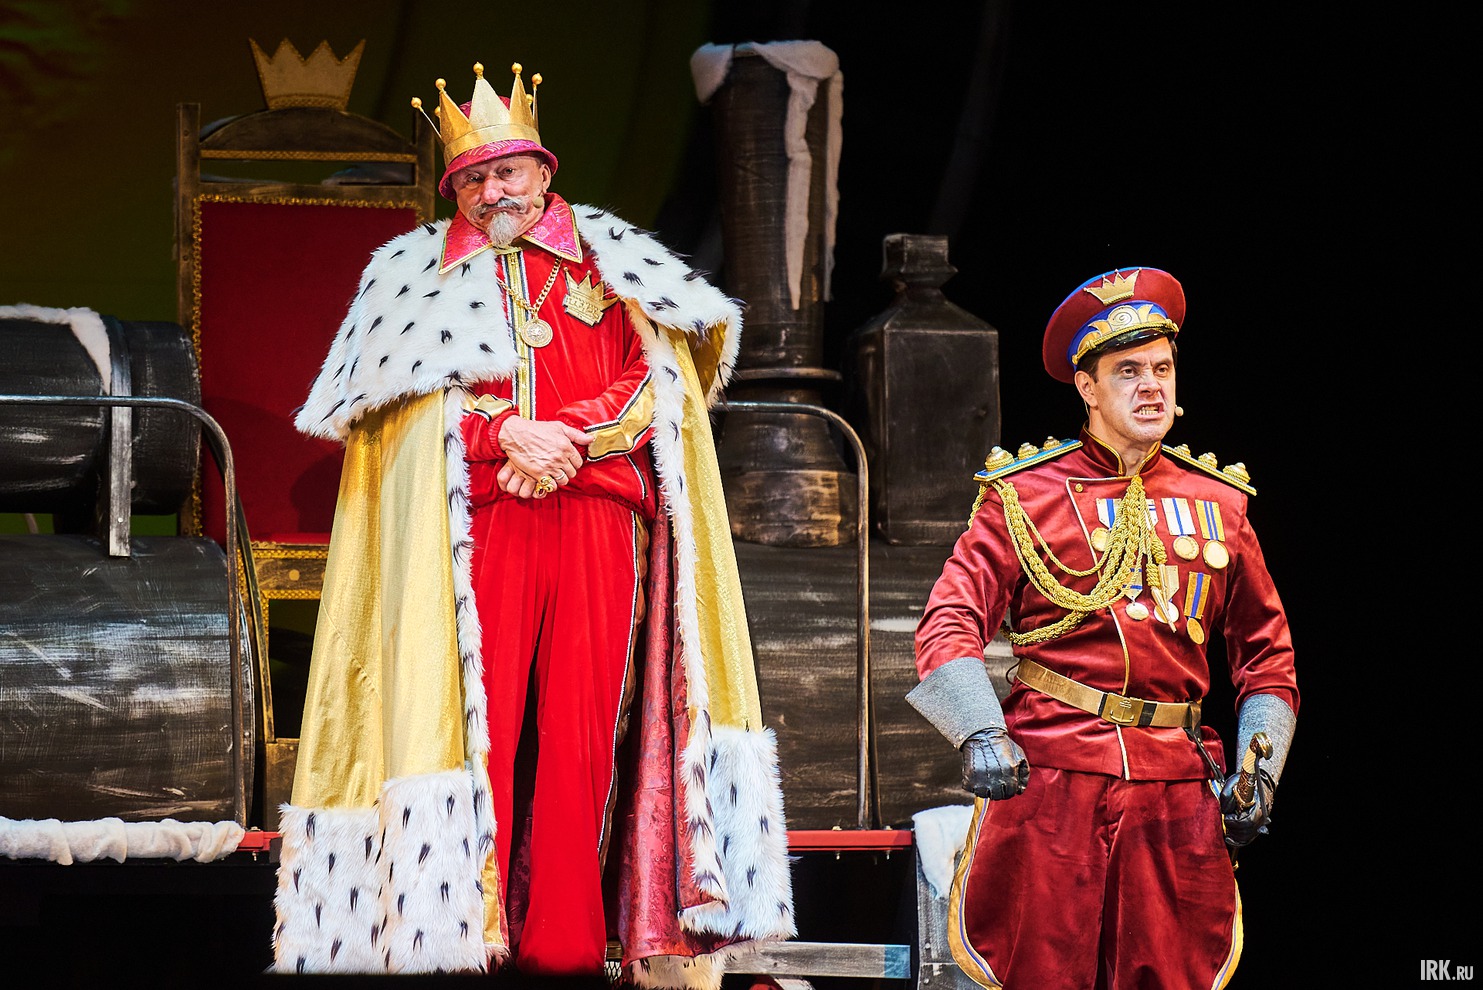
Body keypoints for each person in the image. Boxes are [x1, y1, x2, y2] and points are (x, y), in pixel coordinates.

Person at [271, 61, 794, 985]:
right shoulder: (410, 274)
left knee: (582, 739)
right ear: (454, 191)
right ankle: (460, 942)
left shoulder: (612, 258)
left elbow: (658, 383)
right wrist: (502, 432)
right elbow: (397, 411)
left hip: (596, 519)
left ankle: (564, 948)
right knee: (472, 734)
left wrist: (569, 439)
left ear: (544, 172)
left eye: (506, 171)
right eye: (472, 179)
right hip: (472, 530)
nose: (492, 191)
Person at [908, 266, 1298, 989]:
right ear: (1087, 388)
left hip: (1176, 791)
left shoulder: (1220, 503)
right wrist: (979, 731)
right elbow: (949, 620)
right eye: (1128, 372)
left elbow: (1267, 658)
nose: (1151, 387)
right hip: (1052, 780)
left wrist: (1258, 771)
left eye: (1162, 368)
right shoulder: (1024, 495)